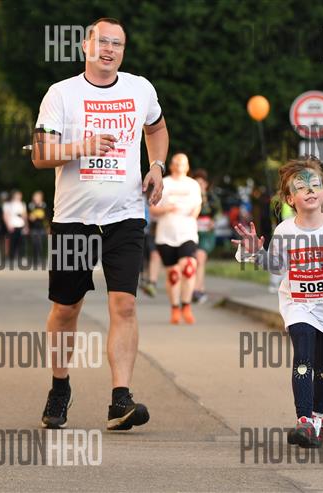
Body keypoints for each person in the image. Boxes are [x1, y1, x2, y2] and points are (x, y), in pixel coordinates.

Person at [32, 17, 167, 431]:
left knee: (124, 304)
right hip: (73, 219)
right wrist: (82, 146)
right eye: (102, 41)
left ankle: (120, 399)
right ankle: (59, 387)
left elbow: (157, 128)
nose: (109, 49)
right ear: (85, 46)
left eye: (117, 44)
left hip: (125, 216)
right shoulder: (61, 94)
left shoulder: (140, 89)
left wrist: (157, 165)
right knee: (66, 308)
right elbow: (40, 154)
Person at [233, 156, 323, 448]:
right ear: (289, 198)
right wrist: (256, 253)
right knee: (303, 356)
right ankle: (304, 421)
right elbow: (276, 266)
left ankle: (318, 417)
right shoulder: (285, 231)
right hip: (298, 305)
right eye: (301, 187)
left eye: (315, 185)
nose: (309, 190)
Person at [150, 154, 201, 324]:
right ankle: (175, 308)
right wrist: (166, 209)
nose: (179, 165)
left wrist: (193, 215)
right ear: (171, 166)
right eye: (176, 162)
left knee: (189, 267)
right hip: (166, 235)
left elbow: (197, 205)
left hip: (187, 233)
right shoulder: (164, 183)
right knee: (173, 274)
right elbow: (152, 208)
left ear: (187, 166)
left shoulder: (193, 185)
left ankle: (186, 305)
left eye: (183, 163)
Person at [191, 169, 220, 303]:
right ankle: (199, 288)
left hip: (207, 233)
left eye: (202, 183)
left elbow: (218, 212)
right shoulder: (190, 196)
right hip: (193, 231)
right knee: (195, 261)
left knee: (200, 258)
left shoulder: (212, 197)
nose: (200, 185)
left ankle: (197, 290)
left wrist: (213, 221)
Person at [3, 189, 28, 260]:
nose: (20, 197)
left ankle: (22, 256)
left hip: (21, 225)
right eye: (18, 195)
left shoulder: (22, 204)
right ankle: (11, 256)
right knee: (12, 242)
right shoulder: (7, 204)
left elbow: (24, 216)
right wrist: (8, 225)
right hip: (12, 226)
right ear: (14, 196)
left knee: (22, 242)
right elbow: (6, 216)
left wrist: (26, 226)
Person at [27, 190, 49, 267]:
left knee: (41, 244)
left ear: (41, 198)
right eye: (35, 197)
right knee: (35, 244)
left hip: (42, 228)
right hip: (34, 228)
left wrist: (47, 227)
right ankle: (35, 259)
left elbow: (47, 217)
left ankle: (42, 258)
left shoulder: (44, 206)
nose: (36, 198)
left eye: (37, 197)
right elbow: (29, 217)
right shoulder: (31, 206)